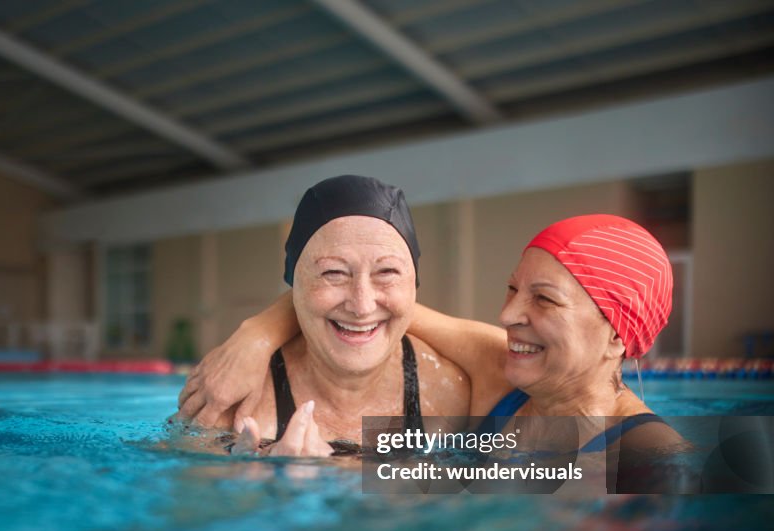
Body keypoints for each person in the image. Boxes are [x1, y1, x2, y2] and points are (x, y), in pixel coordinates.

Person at [180, 213, 685, 457]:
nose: (508, 314)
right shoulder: (501, 376)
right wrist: (256, 335)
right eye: (513, 289)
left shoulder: (651, 456)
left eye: (544, 299)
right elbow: (381, 307)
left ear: (617, 336)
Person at [184, 174, 470, 457]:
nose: (362, 306)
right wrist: (243, 480)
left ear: (413, 283)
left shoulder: (450, 396)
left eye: (387, 272)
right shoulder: (234, 398)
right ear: (294, 285)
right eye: (334, 272)